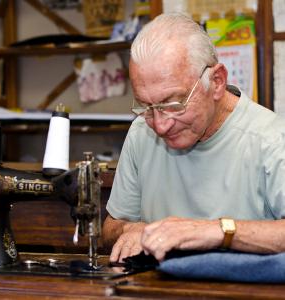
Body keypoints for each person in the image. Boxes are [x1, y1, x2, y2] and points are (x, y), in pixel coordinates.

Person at [102, 12, 285, 263]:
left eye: (173, 104)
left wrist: (215, 231)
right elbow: (112, 226)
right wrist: (132, 230)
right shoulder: (141, 133)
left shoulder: (272, 139)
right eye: (146, 106)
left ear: (217, 82)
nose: (160, 125)